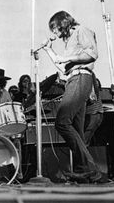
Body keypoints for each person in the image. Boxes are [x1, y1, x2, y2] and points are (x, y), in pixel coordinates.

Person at [43, 10, 103, 183]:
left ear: (63, 22)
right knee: (76, 129)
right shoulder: (69, 41)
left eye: (54, 28)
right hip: (72, 78)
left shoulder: (81, 30)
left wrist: (68, 57)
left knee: (62, 122)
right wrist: (49, 50)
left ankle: (90, 169)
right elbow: (63, 67)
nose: (54, 33)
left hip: (81, 77)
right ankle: (83, 170)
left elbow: (92, 54)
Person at [84, 78, 104, 147]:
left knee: (85, 139)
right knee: (87, 138)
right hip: (95, 114)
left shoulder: (91, 88)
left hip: (93, 114)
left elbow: (90, 101)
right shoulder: (94, 87)